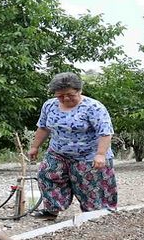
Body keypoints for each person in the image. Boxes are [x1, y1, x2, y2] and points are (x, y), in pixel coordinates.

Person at [27, 72, 118, 219]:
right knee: (47, 176)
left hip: (89, 155)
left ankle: (98, 215)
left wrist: (100, 154)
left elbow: (105, 132)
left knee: (91, 187)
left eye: (70, 94)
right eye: (60, 96)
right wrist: (35, 146)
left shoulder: (94, 107)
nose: (65, 98)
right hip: (58, 153)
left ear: (79, 90)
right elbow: (43, 127)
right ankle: (52, 209)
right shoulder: (49, 105)